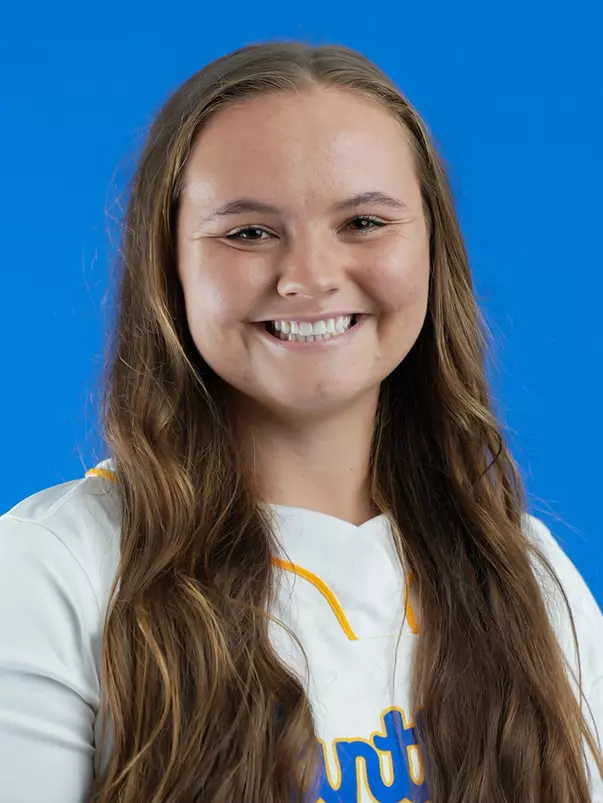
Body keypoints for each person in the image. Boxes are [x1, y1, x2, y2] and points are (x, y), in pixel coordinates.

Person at [0, 40, 601, 803]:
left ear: (429, 249)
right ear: (168, 267)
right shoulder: (55, 570)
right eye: (248, 232)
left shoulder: (527, 577)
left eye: (362, 221)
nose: (309, 276)